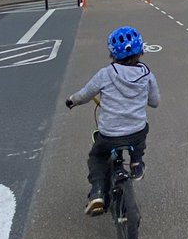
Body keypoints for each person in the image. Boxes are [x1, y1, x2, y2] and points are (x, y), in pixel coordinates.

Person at [65, 25, 159, 216]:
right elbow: (155, 102)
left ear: (112, 53)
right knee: (142, 130)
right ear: (141, 50)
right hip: (136, 133)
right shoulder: (147, 74)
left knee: (97, 157)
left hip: (109, 135)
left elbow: (84, 95)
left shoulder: (106, 74)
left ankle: (98, 192)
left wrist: (72, 100)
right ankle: (136, 162)